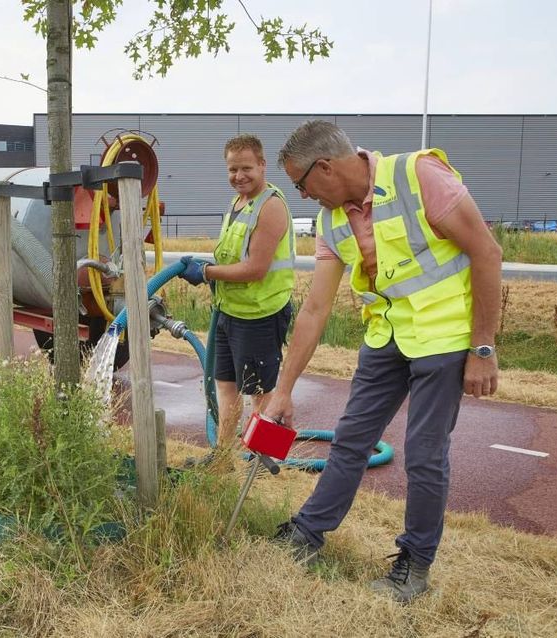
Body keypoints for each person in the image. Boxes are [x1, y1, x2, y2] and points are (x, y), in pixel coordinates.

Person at [266, 120, 502, 603]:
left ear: (326, 167)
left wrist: (482, 347)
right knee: (351, 438)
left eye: (301, 184)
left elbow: (487, 252)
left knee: (423, 453)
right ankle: (307, 534)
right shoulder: (332, 221)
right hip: (386, 337)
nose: (303, 196)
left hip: (443, 337)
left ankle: (415, 565)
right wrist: (283, 389)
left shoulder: (419, 177)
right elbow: (315, 308)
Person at [179, 134, 295, 468]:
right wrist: (208, 269)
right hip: (230, 312)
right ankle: (224, 457)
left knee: (261, 392)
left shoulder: (270, 206)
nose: (239, 176)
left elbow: (256, 269)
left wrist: (208, 273)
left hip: (259, 315)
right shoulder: (237, 203)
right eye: (232, 169)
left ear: (262, 164)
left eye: (246, 168)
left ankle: (266, 460)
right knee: (226, 388)